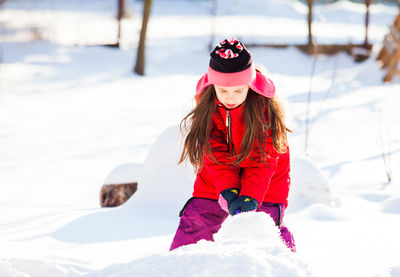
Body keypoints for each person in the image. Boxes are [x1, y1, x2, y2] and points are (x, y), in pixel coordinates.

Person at [169, 38, 296, 252]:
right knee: (197, 219)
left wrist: (250, 196)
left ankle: (285, 266)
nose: (230, 97)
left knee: (265, 228)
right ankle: (182, 264)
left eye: (238, 91)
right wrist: (227, 188)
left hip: (265, 183)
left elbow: (263, 159)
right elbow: (214, 153)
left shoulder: (265, 112)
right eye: (223, 90)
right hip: (215, 179)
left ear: (250, 85)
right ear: (212, 86)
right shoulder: (209, 108)